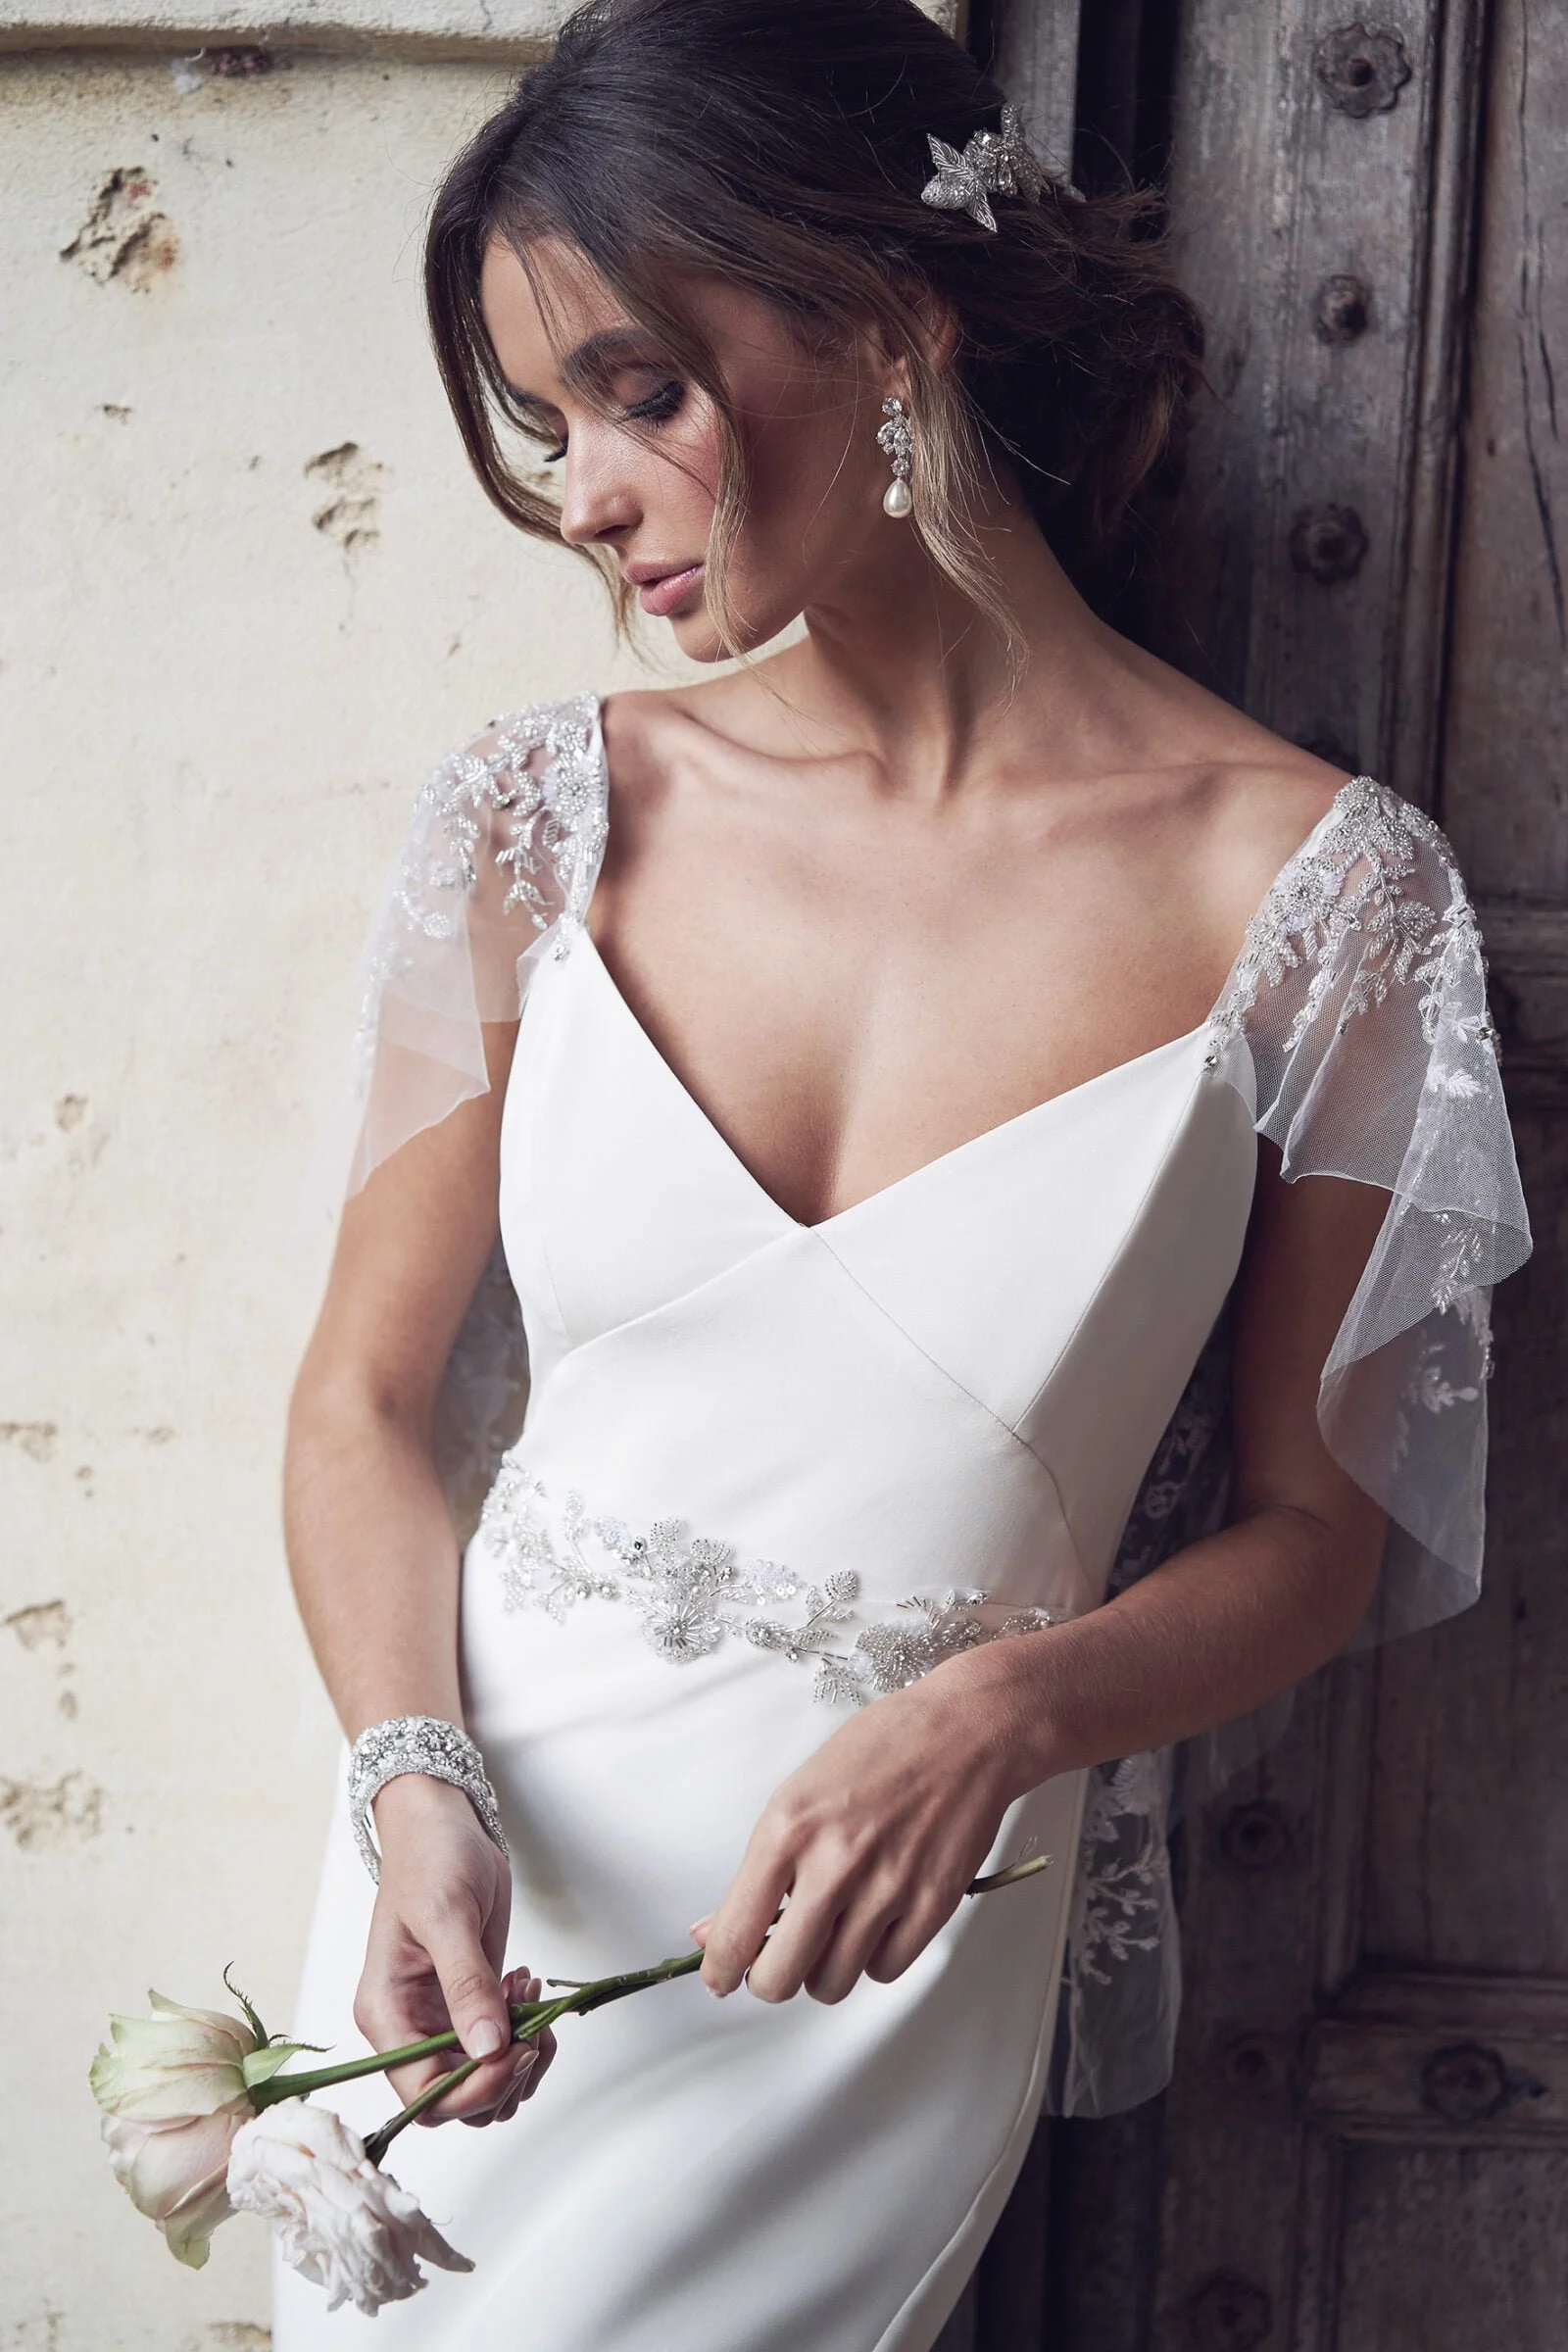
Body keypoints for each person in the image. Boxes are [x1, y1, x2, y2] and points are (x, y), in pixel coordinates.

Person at [276, 0, 1532, 2342]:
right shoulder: (539, 818)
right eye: (548, 427)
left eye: (640, 390)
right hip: (478, 1902)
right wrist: (407, 1782)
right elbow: (360, 1397)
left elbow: (1309, 1538)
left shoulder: (1318, 897)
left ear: (885, 317)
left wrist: (1009, 1711)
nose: (585, 496)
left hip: (878, 1960)